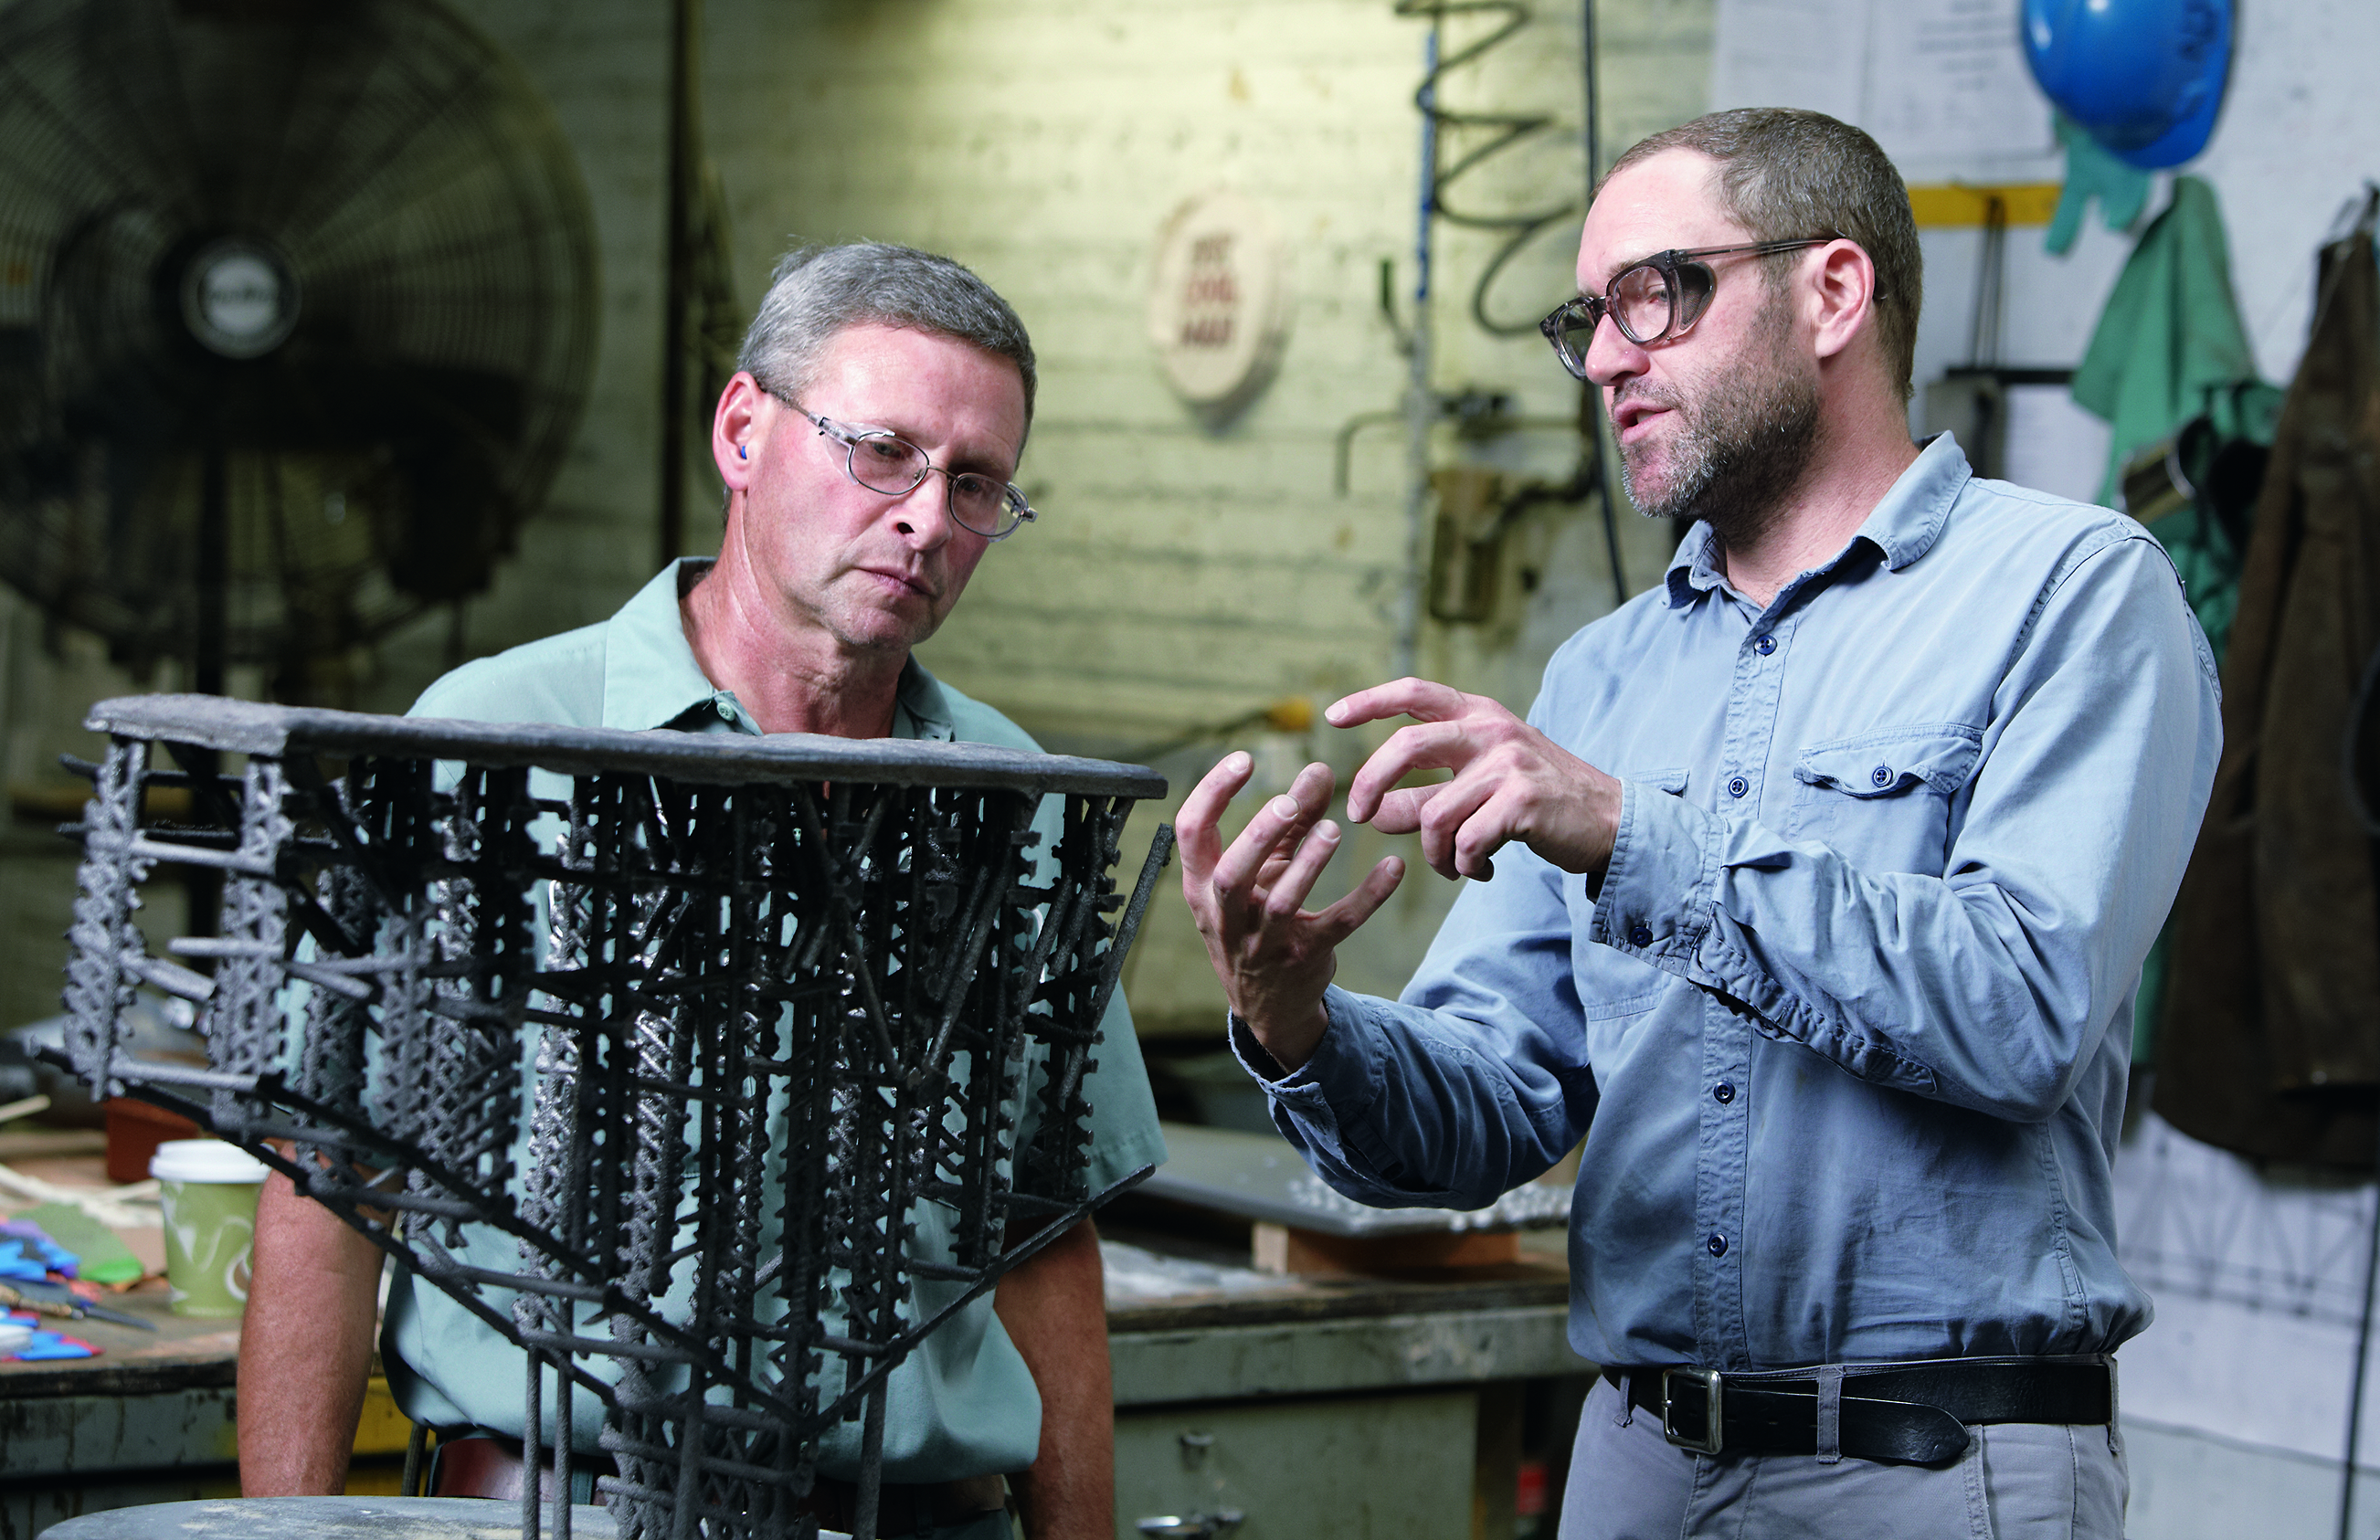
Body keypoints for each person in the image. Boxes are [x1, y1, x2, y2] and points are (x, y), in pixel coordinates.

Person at [1176, 109, 2219, 1539]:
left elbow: (2021, 1005)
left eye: (1655, 292)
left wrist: (1630, 832)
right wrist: (1297, 1021)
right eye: (1586, 318)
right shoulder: (1602, 674)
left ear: (1833, 292)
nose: (1606, 356)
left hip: (1937, 1468)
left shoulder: (2074, 595)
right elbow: (1491, 1106)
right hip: (1642, 1464)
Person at [237, 242, 1166, 1540]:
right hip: (550, 1515)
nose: (922, 520)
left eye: (974, 485)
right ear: (743, 430)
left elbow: (1043, 1228)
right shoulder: (492, 742)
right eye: (882, 451)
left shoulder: (1013, 799)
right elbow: (329, 1178)